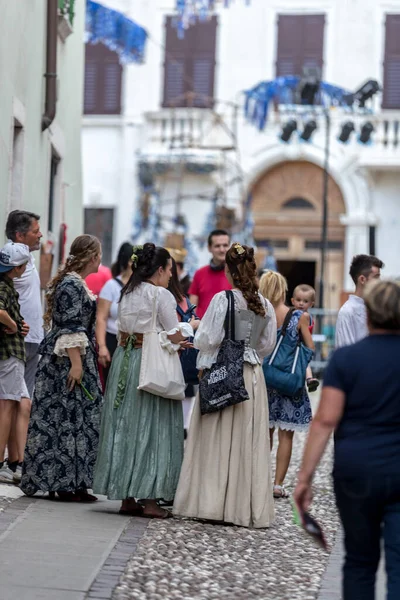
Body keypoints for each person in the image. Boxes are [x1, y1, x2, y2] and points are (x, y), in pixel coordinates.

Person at [294, 280, 400, 600]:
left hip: (357, 469)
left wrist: (304, 479)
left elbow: (325, 421)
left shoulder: (346, 359)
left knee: (359, 561)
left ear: (368, 316)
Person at [173, 243, 277, 528]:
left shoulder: (224, 300)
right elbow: (266, 345)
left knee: (216, 438)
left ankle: (212, 502)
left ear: (230, 271)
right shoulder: (264, 304)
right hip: (252, 377)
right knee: (246, 441)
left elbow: (206, 339)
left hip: (223, 373)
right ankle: (242, 506)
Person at [93, 244, 193, 519]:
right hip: (149, 364)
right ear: (160, 270)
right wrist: (190, 328)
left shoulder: (127, 291)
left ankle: (127, 497)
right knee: (153, 425)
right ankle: (150, 499)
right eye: (170, 270)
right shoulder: (160, 294)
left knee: (125, 425)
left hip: (125, 360)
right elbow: (173, 332)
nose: (171, 275)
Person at [21, 235, 103, 501]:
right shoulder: (70, 284)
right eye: (99, 255)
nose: (100, 260)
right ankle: (64, 483)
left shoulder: (75, 283)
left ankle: (74, 482)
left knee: (75, 420)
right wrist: (77, 365)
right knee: (66, 420)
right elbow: (70, 326)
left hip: (74, 357)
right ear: (92, 257)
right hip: (65, 362)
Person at [259, 271, 314, 499]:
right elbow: (309, 348)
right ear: (283, 291)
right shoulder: (299, 316)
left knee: (264, 433)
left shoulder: (260, 313)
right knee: (286, 435)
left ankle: (259, 480)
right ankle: (277, 484)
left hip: (264, 378)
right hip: (289, 382)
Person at [5, 210, 44, 483]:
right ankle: (17, 462)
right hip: (17, 339)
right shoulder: (12, 256)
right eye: (35, 231)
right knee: (18, 402)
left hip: (31, 340)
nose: (40, 234)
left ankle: (16, 459)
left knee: (18, 401)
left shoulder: (26, 257)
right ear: (20, 236)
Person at [0, 243, 30, 483]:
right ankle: (2, 463)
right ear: (18, 268)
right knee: (7, 407)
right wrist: (14, 326)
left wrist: (18, 325)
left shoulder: (6, 285)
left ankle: (15, 462)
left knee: (16, 404)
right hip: (9, 353)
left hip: (11, 353)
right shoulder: (4, 286)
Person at [168, 258, 200, 436]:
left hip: (171, 360)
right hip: (179, 359)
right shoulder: (181, 299)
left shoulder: (178, 299)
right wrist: (192, 325)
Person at [97, 242, 133, 384]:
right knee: (111, 384)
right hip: (112, 341)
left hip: (134, 343)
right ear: (130, 262)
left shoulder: (141, 288)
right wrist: (102, 346)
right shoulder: (111, 286)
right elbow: (101, 318)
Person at [335, 254, 383, 348]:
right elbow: (345, 352)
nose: (379, 281)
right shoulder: (347, 311)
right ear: (362, 279)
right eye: (376, 277)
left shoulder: (379, 309)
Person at [189, 229, 231, 319]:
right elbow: (192, 308)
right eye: (217, 246)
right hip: (202, 329)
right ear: (209, 248)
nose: (222, 249)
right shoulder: (199, 274)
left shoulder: (236, 275)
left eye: (225, 245)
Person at [291, 284, 319, 393]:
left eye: (305, 301)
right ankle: (309, 379)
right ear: (293, 301)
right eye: (298, 300)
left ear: (311, 304)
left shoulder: (302, 316)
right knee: (306, 363)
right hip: (303, 345)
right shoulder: (310, 317)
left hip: (299, 345)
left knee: (304, 363)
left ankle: (309, 379)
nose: (301, 303)